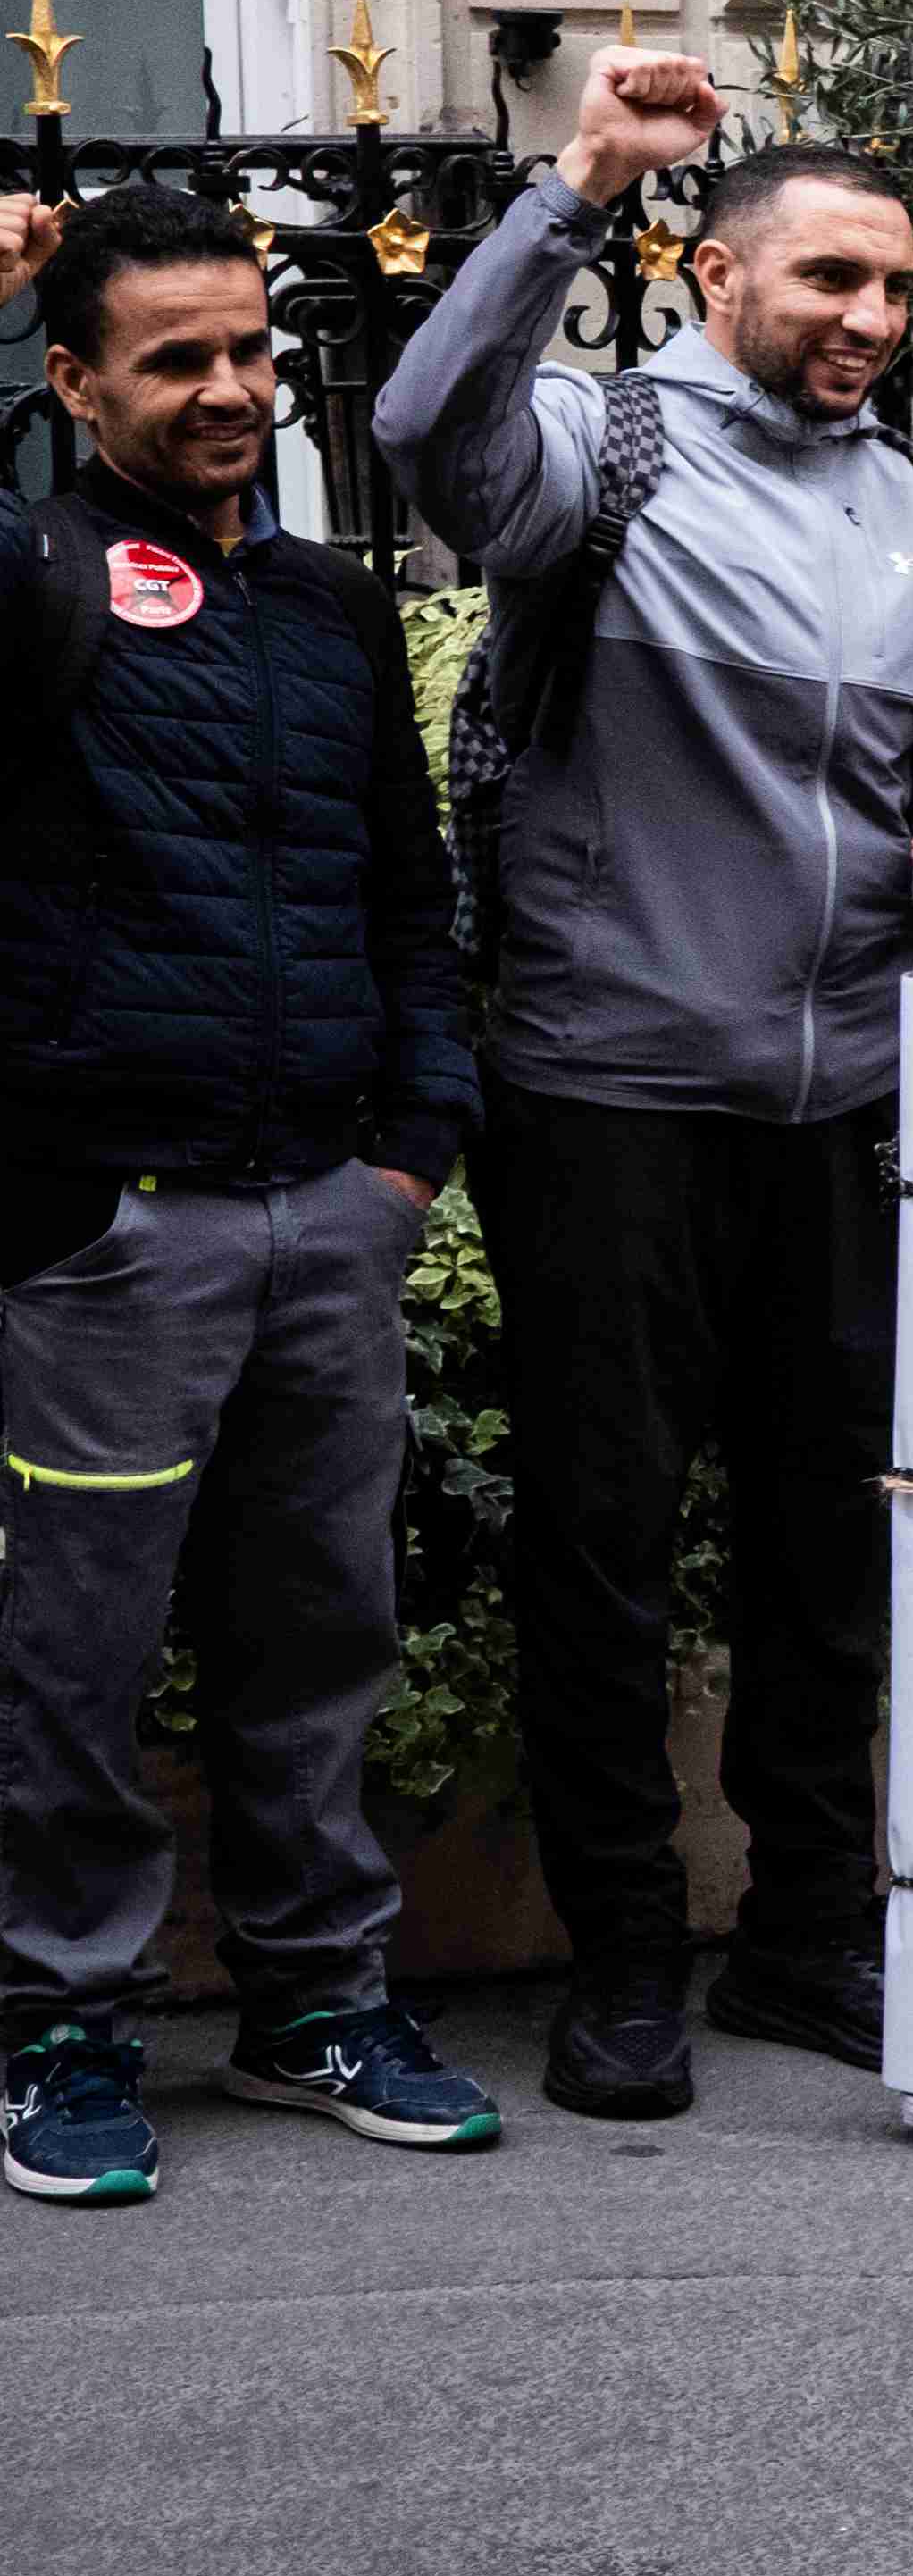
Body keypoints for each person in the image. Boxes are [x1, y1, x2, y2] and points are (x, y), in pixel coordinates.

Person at [374, 50, 913, 2123]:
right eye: (832, 277)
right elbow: (415, 426)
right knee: (604, 1541)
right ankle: (630, 1959)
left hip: (848, 1102)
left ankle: (809, 1937)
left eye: (898, 289)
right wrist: (573, 183)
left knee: (836, 1546)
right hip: (614, 1085)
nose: (870, 320)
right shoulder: (611, 443)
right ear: (724, 270)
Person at [0, 189, 497, 2199]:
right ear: (71, 382)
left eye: (246, 352)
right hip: (113, 1227)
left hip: (328, 1211)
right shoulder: (33, 572)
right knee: (77, 1652)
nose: (229, 390)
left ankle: (310, 1998)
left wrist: (412, 1151)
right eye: (173, 360)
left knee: (317, 1632)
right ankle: (54, 2025)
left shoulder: (328, 606)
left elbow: (408, 891)